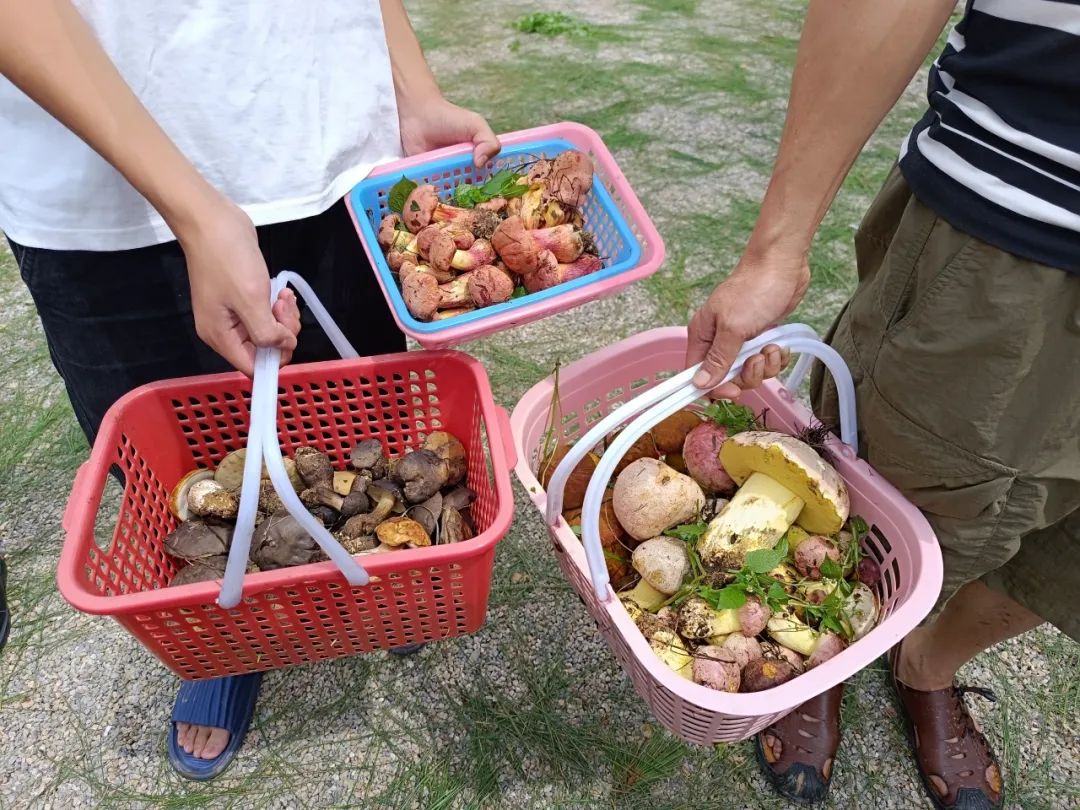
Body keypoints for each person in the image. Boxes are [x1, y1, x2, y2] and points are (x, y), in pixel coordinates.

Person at [0, 0, 505, 780]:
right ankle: (222, 630)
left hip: (326, 151)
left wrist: (409, 90)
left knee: (363, 425)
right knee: (180, 465)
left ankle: (382, 577)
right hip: (104, 186)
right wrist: (196, 213)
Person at [687, 1, 1079, 808]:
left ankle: (927, 663)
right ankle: (815, 654)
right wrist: (777, 247)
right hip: (1014, 238)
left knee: (1066, 554)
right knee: (884, 499)